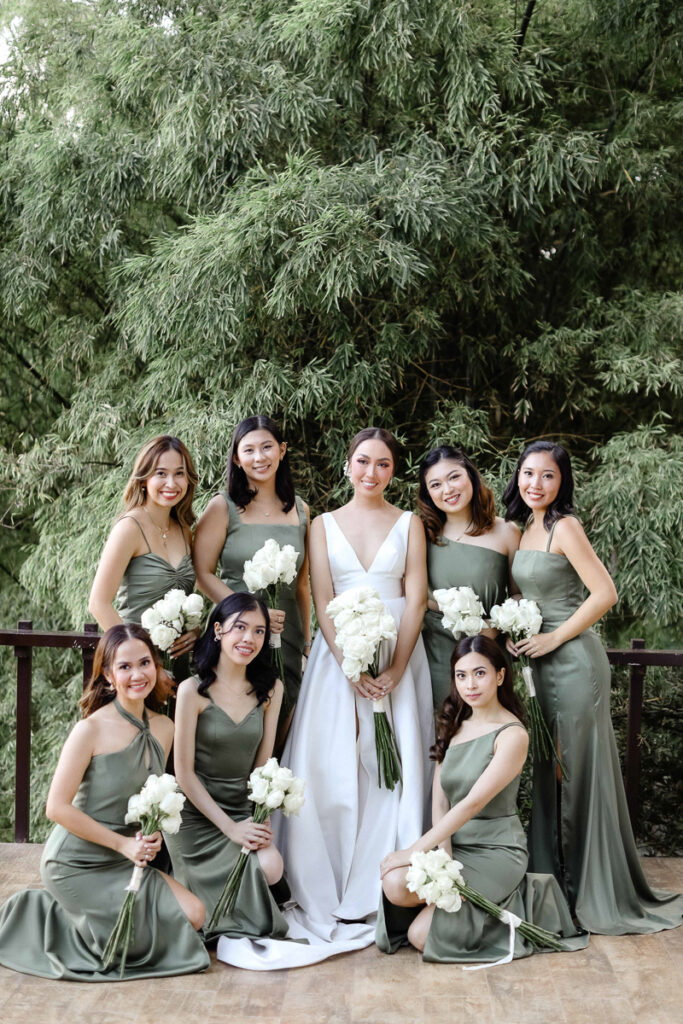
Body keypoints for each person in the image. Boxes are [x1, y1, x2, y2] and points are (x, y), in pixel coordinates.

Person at [503, 440, 682, 934]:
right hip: (539, 665)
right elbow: (525, 593)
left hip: (574, 663)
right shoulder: (524, 528)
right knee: (549, 767)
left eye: (548, 476)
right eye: (528, 473)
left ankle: (592, 886)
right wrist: (517, 630)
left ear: (562, 483)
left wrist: (553, 637)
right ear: (517, 477)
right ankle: (553, 881)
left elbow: (605, 593)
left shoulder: (565, 526)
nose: (535, 483)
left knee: (577, 769)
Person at [275, 427, 434, 945]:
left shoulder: (410, 523)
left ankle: (382, 880)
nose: (371, 472)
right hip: (338, 653)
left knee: (393, 765)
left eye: (383, 464)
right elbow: (322, 598)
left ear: (393, 471)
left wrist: (395, 668)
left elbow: (415, 597)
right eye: (363, 461)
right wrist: (350, 664)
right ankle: (329, 879)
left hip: (398, 649)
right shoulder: (322, 524)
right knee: (332, 760)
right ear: (348, 466)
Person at [0, 625, 209, 981]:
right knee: (125, 948)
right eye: (124, 667)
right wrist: (122, 844)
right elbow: (56, 807)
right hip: (75, 862)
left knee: (195, 915)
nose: (137, 674)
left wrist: (152, 833)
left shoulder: (164, 727)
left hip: (126, 859)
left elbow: (150, 796)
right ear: (109, 676)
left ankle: (73, 917)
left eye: (144, 663)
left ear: (156, 665)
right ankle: (35, 914)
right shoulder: (90, 730)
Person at [377, 635, 587, 962]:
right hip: (455, 841)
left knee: (420, 937)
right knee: (393, 884)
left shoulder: (513, 734)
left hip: (496, 850)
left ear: (500, 676)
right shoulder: (452, 724)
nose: (470, 685)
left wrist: (413, 850)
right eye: (461, 675)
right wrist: (444, 860)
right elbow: (441, 802)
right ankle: (459, 907)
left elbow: (472, 803)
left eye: (480, 673)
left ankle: (511, 908)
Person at [171, 593, 288, 942]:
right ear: (219, 630)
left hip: (239, 806)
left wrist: (260, 814)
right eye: (240, 627)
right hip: (195, 815)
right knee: (199, 914)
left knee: (272, 867)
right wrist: (229, 829)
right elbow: (183, 773)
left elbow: (263, 765)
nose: (249, 638)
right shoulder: (192, 690)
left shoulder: (271, 689)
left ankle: (245, 905)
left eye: (258, 631)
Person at [193, 415, 310, 745]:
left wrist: (306, 640)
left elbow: (302, 584)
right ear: (236, 458)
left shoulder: (301, 510)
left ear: (282, 451)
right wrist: (251, 615)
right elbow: (202, 573)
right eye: (249, 450)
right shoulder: (222, 507)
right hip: (235, 633)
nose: (259, 457)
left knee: (286, 720)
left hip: (286, 633)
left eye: (267, 447)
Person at [88, 436, 200, 680]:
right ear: (143, 479)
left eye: (179, 474)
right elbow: (98, 603)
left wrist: (195, 630)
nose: (171, 483)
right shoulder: (129, 528)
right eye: (161, 473)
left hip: (179, 669)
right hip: (137, 672)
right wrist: (144, 664)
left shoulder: (184, 530)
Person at [418, 446, 521, 708]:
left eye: (454, 477)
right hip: (436, 654)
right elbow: (411, 594)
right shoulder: (420, 535)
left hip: (488, 651)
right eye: (436, 484)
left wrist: (496, 627)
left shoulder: (506, 531)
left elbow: (519, 593)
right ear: (428, 493)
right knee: (442, 724)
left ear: (471, 476)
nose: (447, 489)